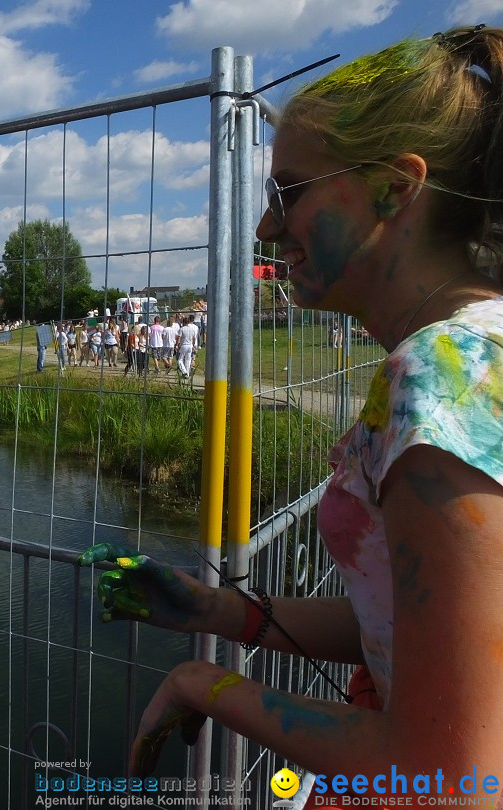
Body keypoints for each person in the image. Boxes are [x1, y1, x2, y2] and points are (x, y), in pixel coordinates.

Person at [78, 24, 503, 802]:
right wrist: (222, 611)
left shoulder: (438, 382)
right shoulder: (480, 350)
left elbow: (457, 778)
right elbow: (413, 628)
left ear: (395, 188)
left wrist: (203, 685)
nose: (268, 228)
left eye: (289, 192)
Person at [177, 314, 199, 379]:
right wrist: (193, 345)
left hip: (184, 345)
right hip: (190, 345)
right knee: (188, 360)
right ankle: (187, 373)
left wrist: (177, 345)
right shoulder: (192, 329)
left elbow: (179, 338)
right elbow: (194, 338)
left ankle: (184, 372)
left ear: (183, 322)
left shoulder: (182, 329)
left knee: (180, 360)